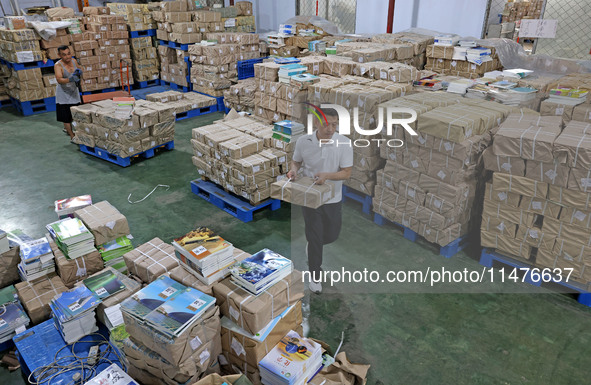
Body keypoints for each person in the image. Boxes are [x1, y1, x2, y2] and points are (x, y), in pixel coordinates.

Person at [287, 108, 353, 294]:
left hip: (332, 198)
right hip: (309, 197)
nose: (330, 128)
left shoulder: (344, 143)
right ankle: (315, 276)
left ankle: (313, 244)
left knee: (331, 234)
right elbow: (296, 162)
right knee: (315, 236)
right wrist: (293, 171)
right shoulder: (303, 141)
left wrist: (327, 175)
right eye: (326, 124)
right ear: (316, 123)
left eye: (334, 124)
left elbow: (346, 173)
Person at [54, 45, 82, 141]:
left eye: (69, 54)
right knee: (66, 117)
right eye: (64, 55)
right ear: (59, 55)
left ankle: (75, 131)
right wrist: (70, 79)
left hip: (74, 91)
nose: (67, 57)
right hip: (64, 94)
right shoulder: (58, 65)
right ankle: (72, 136)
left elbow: (78, 69)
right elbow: (59, 79)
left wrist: (79, 72)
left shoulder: (73, 61)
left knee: (76, 113)